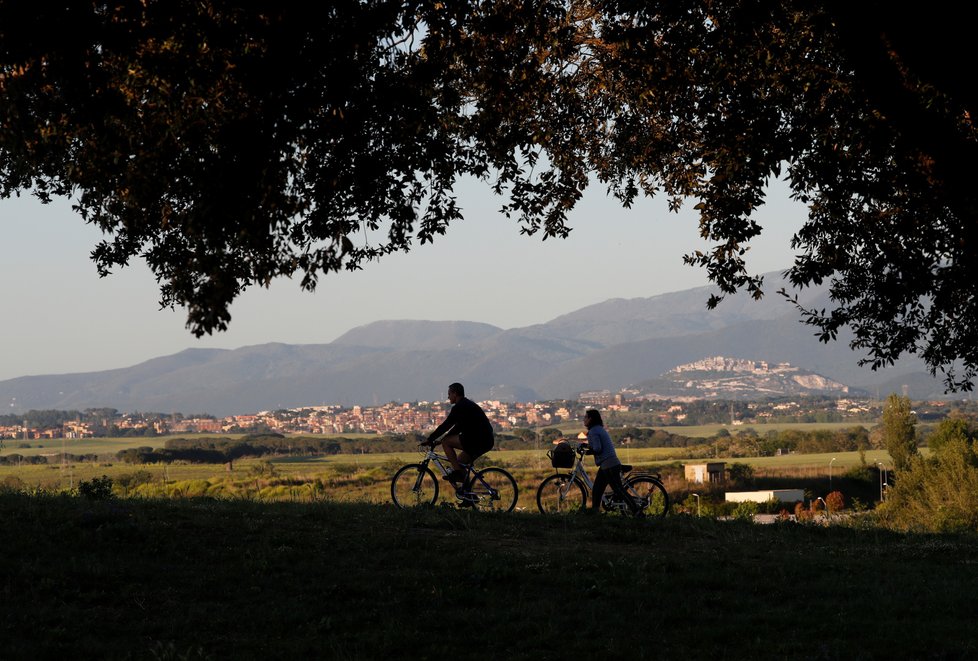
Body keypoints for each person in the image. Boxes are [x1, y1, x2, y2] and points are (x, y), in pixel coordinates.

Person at [426, 382, 495, 487]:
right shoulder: (467, 404)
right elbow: (458, 427)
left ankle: (458, 474)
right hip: (485, 440)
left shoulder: (460, 407)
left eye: (449, 394)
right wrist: (441, 438)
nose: (448, 397)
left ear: (455, 393)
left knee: (446, 443)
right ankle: (468, 498)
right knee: (459, 464)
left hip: (478, 440)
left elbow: (446, 425)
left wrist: (430, 439)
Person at [582, 408, 642, 516]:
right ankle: (594, 513)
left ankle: (637, 511)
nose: (584, 419)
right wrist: (586, 446)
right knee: (597, 489)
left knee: (619, 490)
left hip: (608, 465)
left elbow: (598, 448)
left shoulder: (593, 431)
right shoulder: (599, 429)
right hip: (608, 464)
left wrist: (587, 451)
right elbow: (597, 446)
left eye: (585, 417)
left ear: (590, 419)